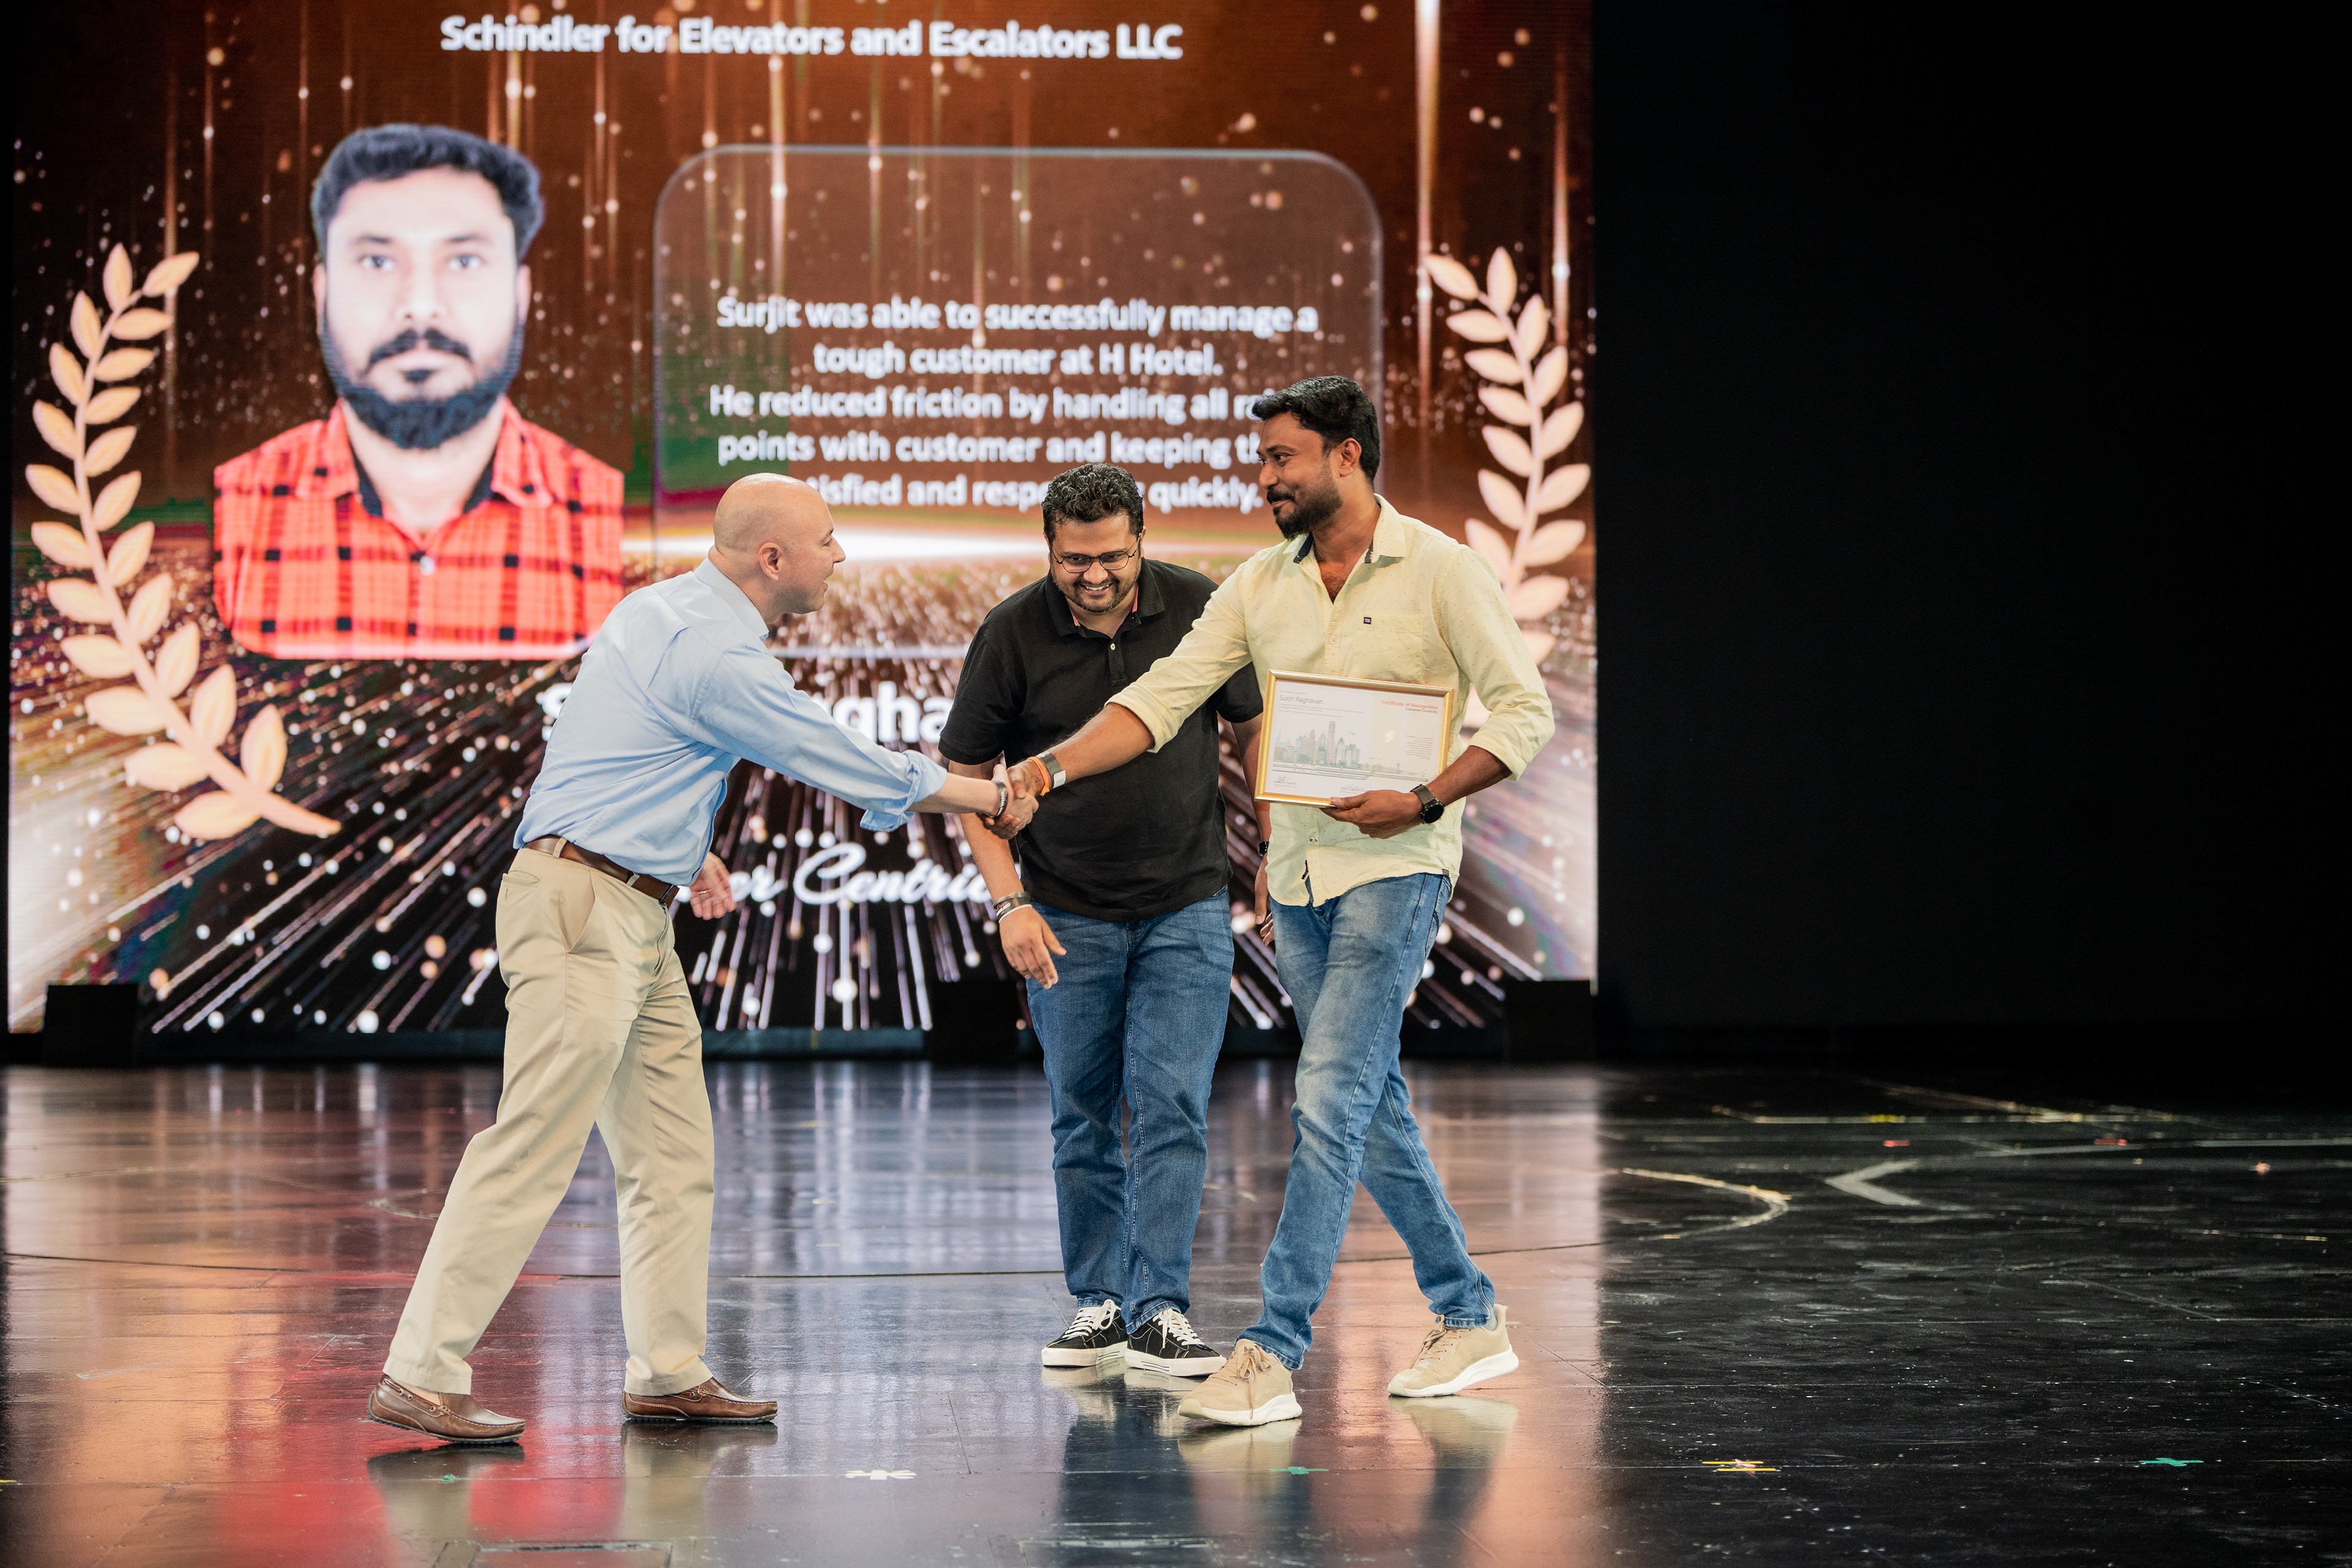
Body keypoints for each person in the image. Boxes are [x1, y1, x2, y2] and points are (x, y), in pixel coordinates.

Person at [366, 473, 1033, 1443]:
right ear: (773, 557)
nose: (840, 556)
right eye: (827, 540)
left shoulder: (658, 610)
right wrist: (989, 796)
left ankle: (669, 1371)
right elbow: (835, 756)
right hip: (586, 913)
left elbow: (615, 749)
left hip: (624, 905)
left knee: (672, 1158)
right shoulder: (717, 651)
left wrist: (683, 849)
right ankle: (421, 1371)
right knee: (535, 1141)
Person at [1001, 377, 1555, 1427]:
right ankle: (1468, 1312)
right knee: (1368, 1105)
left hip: (1398, 866)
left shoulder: (1443, 570)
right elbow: (1160, 700)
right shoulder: (1259, 585)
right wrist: (1050, 769)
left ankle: (1273, 1347)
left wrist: (1425, 797)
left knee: (1328, 1096)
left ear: (1348, 455)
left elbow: (1524, 714)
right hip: (1298, 880)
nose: (1265, 478)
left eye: (1282, 458)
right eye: (1263, 460)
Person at [938, 465, 1262, 1377]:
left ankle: (1162, 1309)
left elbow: (1251, 726)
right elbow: (966, 776)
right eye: (1074, 559)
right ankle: (1100, 1302)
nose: (1094, 575)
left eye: (1113, 556)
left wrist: (1276, 843)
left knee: (1171, 1108)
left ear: (1141, 542)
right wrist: (1010, 902)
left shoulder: (1199, 606)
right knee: (1080, 1113)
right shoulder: (1011, 630)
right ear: (1049, 548)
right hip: (1064, 913)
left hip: (1187, 907)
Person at [214, 124, 623, 660]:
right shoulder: (228, 508)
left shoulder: (617, 520)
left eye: (465, 261)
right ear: (321, 293)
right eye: (377, 261)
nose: (422, 305)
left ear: (520, 294)